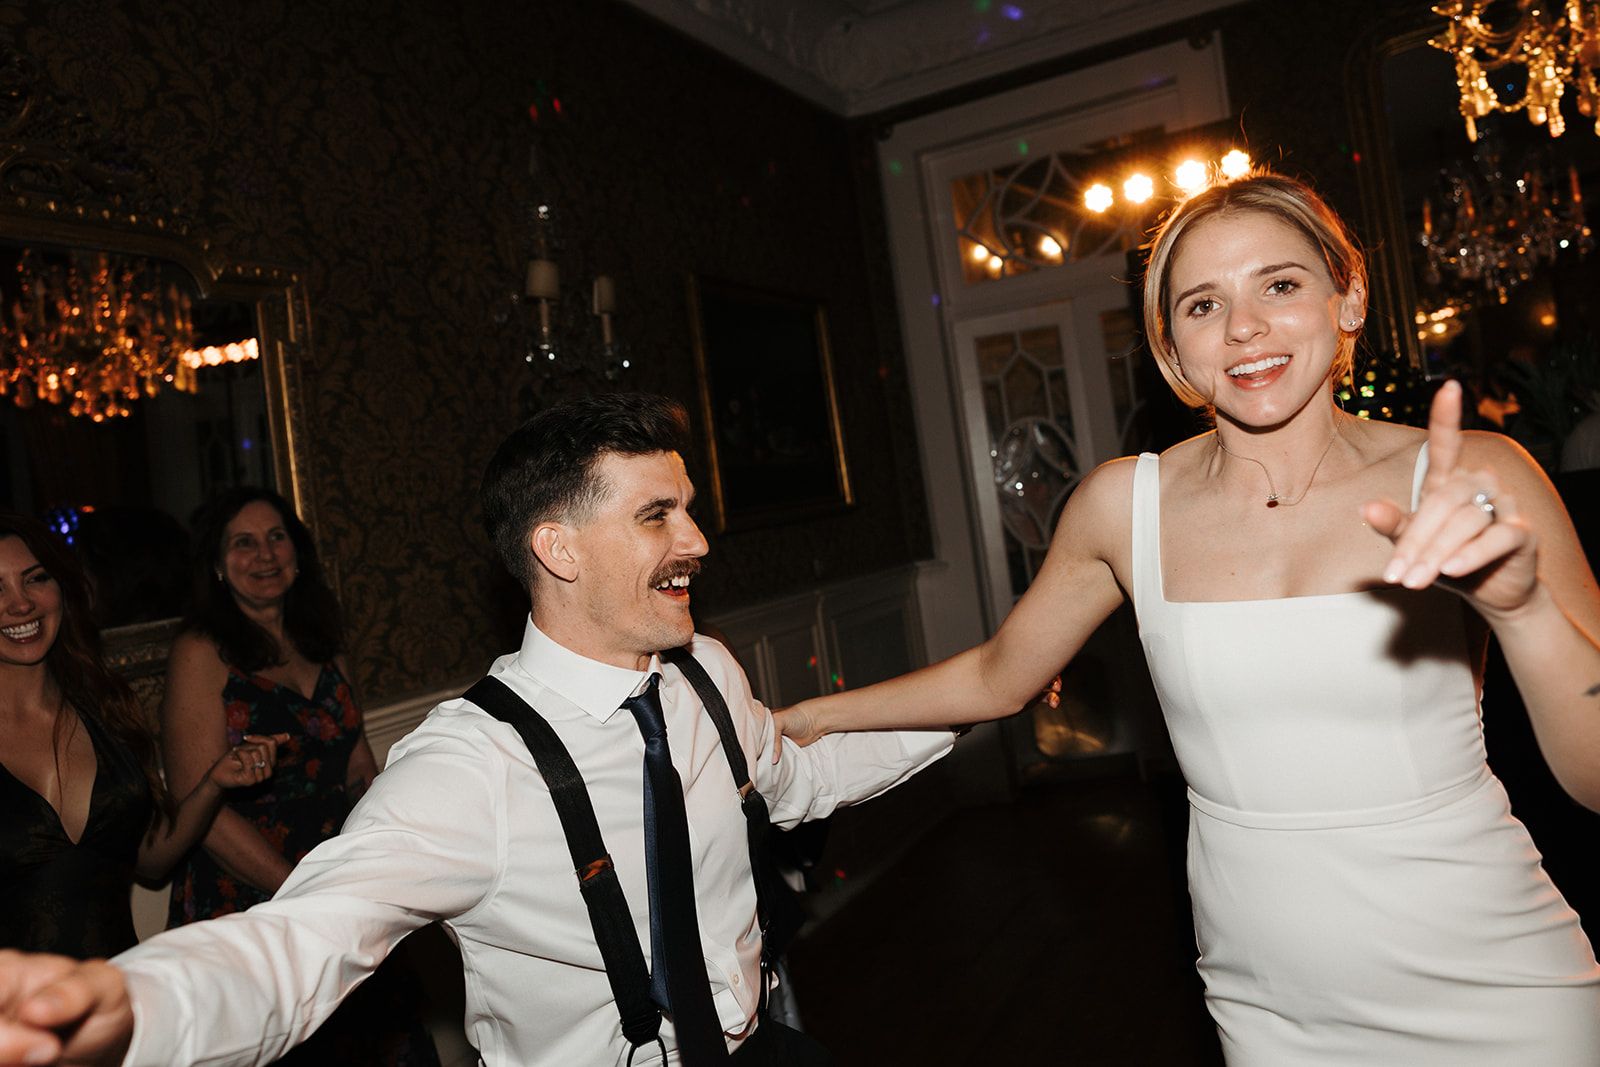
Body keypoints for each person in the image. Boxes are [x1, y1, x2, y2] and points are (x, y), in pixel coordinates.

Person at [771, 171, 1600, 1062]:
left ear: (1347, 297)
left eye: (1280, 284)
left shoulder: (1476, 474)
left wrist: (1522, 612)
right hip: (1271, 1006)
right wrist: (807, 716)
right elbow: (996, 673)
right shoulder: (1124, 507)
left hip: (1498, 982)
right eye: (1204, 304)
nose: (1245, 327)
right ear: (1172, 349)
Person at [0, 393, 951, 1066]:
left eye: (688, 511)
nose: (699, 542)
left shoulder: (707, 669)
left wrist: (982, 696)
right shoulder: (472, 764)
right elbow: (297, 941)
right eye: (660, 514)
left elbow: (793, 776)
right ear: (557, 547)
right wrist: (135, 1007)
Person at [160, 487, 437, 1067]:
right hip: (249, 892)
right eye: (243, 543)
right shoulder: (200, 651)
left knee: (387, 1043)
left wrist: (390, 855)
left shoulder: (321, 637)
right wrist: (301, 892)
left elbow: (356, 757)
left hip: (337, 875)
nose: (264, 555)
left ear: (298, 552)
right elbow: (198, 808)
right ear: (216, 562)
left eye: (276, 538)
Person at [0, 513, 284, 959]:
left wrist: (213, 784)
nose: (21, 605)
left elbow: (151, 861)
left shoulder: (106, 709)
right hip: (19, 1019)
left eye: (35, 579)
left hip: (125, 1000)